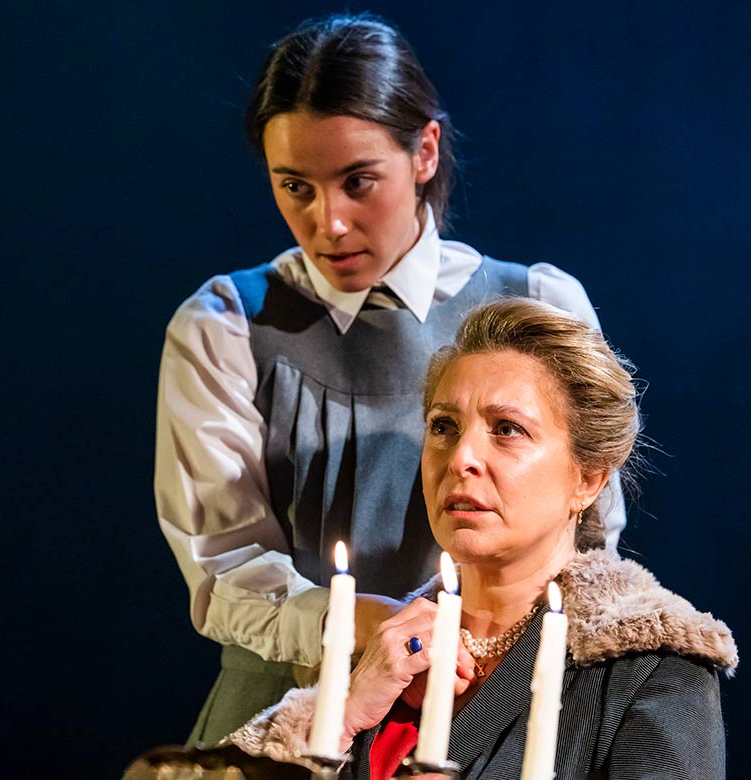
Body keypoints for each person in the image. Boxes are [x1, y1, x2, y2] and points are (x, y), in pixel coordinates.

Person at [153, 13, 626, 746]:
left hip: (488, 711)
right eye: (295, 187)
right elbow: (222, 568)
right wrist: (360, 623)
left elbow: (590, 542)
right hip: (288, 710)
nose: (329, 222)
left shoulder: (535, 303)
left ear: (426, 151)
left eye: (357, 181)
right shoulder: (226, 325)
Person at [229, 298, 738, 779]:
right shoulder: (375, 659)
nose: (460, 458)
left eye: (508, 429)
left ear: (588, 479)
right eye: (444, 426)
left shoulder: (649, 672)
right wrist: (338, 719)